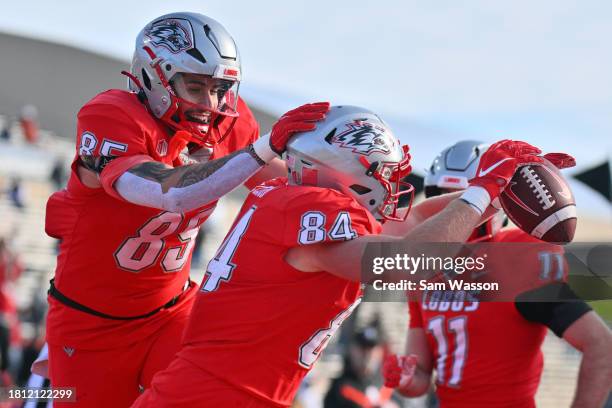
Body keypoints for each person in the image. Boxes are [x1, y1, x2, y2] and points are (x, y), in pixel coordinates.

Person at [132, 105, 552, 407]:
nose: (391, 186)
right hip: (218, 396)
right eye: (384, 173)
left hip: (220, 390)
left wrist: (498, 191)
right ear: (350, 167)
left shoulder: (288, 197)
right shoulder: (316, 210)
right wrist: (482, 191)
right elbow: (408, 263)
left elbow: (412, 224)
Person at [44, 11, 329, 407]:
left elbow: (285, 186)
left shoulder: (226, 122)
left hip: (173, 311)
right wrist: (262, 149)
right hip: (93, 326)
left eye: (219, 88)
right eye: (195, 86)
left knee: (227, 393)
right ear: (153, 75)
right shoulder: (111, 115)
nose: (209, 103)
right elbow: (172, 194)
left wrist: (347, 174)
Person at [382, 140, 612, 407]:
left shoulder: (518, 258)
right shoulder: (425, 270)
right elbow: (421, 378)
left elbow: (602, 345)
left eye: (466, 199)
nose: (455, 214)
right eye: (443, 200)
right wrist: (407, 378)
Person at [324, 324, 403, 408]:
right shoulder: (339, 388)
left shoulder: (388, 385)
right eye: (362, 348)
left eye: (371, 349)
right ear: (352, 350)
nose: (367, 354)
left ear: (379, 352)